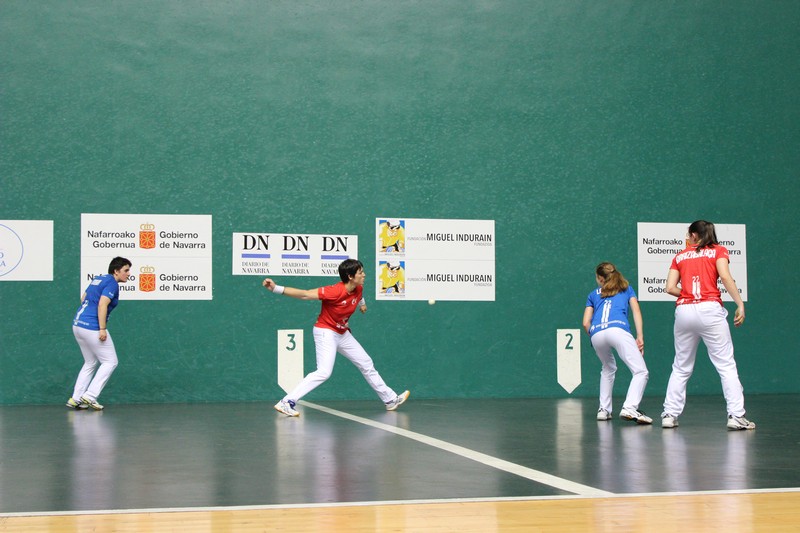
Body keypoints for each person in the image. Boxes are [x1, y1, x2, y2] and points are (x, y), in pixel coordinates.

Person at [263, 258, 410, 417]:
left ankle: (390, 399)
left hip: (342, 333)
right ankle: (287, 401)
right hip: (326, 331)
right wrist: (275, 288)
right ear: (350, 276)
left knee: (366, 362)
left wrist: (362, 305)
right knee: (324, 372)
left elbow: (359, 297)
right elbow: (305, 295)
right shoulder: (334, 291)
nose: (364, 275)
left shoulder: (358, 288)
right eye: (360, 273)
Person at [661, 220, 754, 430]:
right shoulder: (719, 251)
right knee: (726, 365)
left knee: (681, 366)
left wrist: (687, 294)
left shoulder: (679, 256)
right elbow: (725, 276)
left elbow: (669, 288)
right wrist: (739, 303)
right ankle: (736, 415)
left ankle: (669, 414)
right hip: (710, 309)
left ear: (694, 235)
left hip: (684, 311)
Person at [583, 262, 652, 424]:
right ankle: (629, 407)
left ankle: (603, 409)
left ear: (600, 278)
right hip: (618, 330)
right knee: (640, 372)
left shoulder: (593, 294)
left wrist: (594, 335)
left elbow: (586, 323)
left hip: (596, 333)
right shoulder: (627, 289)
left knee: (608, 368)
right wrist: (640, 336)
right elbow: (636, 310)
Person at [67, 256, 132, 411]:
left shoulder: (98, 279)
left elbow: (84, 298)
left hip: (78, 324)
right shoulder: (112, 283)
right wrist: (102, 328)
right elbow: (103, 304)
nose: (129, 274)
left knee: (90, 362)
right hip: (92, 327)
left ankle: (76, 398)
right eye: (126, 270)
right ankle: (90, 396)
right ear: (116, 271)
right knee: (110, 362)